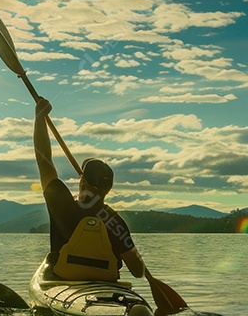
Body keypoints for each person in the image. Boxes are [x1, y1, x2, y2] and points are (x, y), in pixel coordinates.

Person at [33, 96, 156, 287]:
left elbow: (44, 161)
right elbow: (137, 271)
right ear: (108, 189)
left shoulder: (61, 202)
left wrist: (39, 118)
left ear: (82, 181)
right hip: (104, 285)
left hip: (64, 281)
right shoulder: (115, 221)